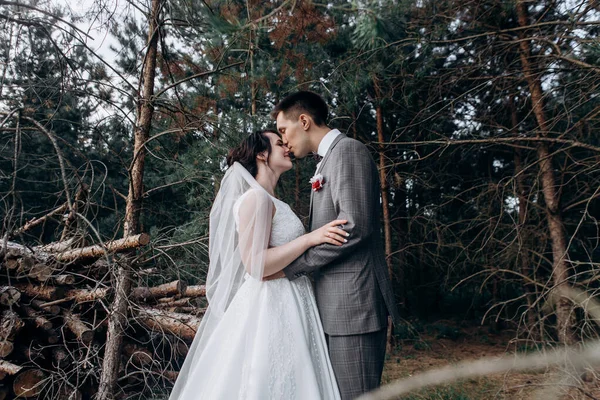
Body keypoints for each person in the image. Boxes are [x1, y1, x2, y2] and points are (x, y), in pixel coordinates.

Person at [169, 129, 346, 399]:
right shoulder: (256, 199)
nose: (286, 146)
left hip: (291, 299)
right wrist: (310, 239)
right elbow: (256, 265)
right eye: (278, 143)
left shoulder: (269, 199)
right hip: (271, 304)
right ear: (262, 154)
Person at [270, 91, 401, 399]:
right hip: (335, 308)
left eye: (283, 131)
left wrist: (295, 267)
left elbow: (355, 226)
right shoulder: (327, 161)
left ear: (304, 121)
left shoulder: (348, 152)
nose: (284, 141)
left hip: (354, 308)